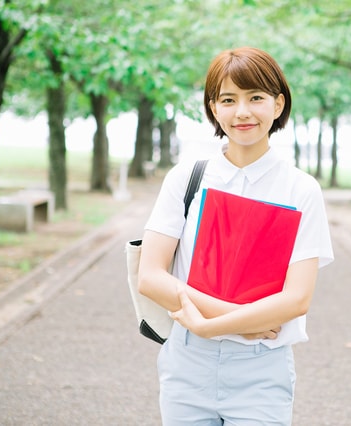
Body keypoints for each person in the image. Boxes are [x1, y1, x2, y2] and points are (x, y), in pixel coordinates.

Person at [138, 46, 334, 425]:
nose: (242, 111)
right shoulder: (186, 179)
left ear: (278, 105)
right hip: (187, 364)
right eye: (228, 99)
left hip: (261, 370)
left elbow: (297, 298)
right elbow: (150, 277)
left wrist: (210, 324)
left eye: (255, 97)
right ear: (214, 108)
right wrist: (236, 320)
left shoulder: (300, 189)